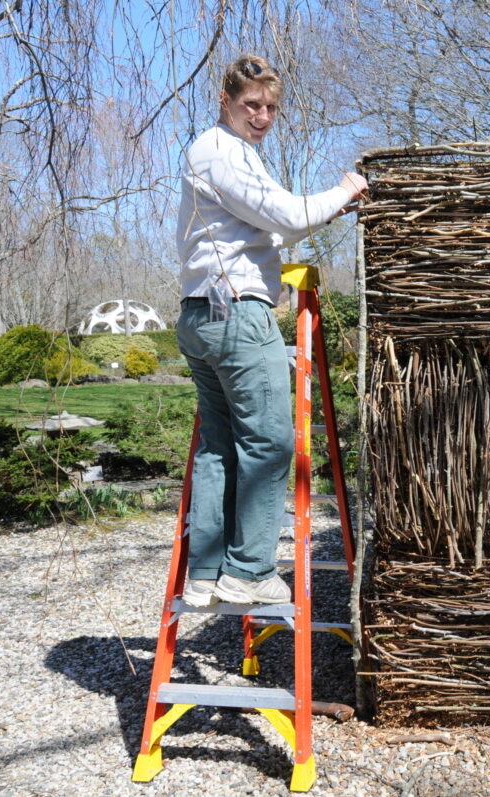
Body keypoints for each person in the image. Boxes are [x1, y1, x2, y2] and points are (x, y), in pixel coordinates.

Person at [175, 54, 368, 606]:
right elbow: (284, 217)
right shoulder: (222, 151)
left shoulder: (226, 152)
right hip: (235, 312)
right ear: (226, 103)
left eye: (270, 107)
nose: (261, 116)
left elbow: (267, 225)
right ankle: (250, 569)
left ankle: (207, 573)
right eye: (250, 105)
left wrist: (329, 209)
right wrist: (347, 190)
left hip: (202, 313)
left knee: (221, 448)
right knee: (272, 442)